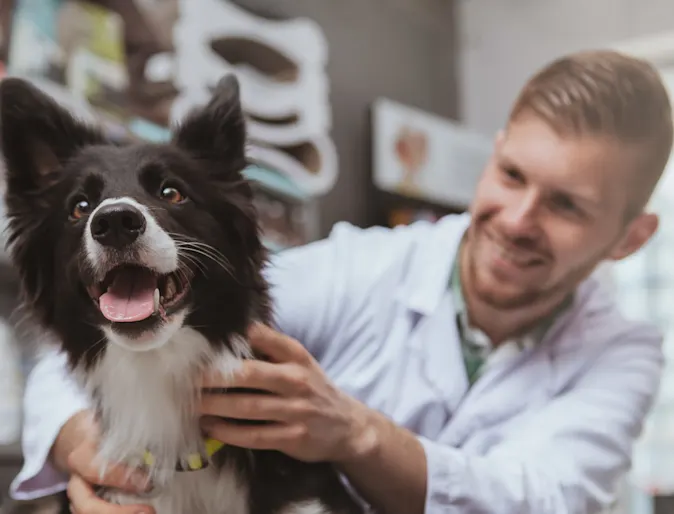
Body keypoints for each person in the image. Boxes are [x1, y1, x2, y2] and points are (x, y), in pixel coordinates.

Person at [8, 49, 674, 514]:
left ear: (630, 238)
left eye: (566, 206)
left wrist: (356, 433)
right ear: (494, 153)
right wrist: (81, 446)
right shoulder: (360, 267)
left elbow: (540, 502)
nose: (518, 219)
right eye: (512, 176)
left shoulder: (623, 353)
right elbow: (85, 347)